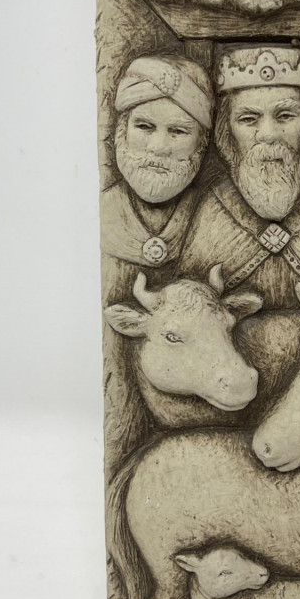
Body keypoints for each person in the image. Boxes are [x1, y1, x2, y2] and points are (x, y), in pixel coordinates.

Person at [179, 45, 300, 308]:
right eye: (249, 119)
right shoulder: (213, 211)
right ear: (226, 132)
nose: (269, 134)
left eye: (285, 116)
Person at [101, 53, 214, 473]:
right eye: (144, 127)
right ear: (121, 133)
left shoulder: (211, 218)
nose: (158, 148)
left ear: (201, 145)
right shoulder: (103, 214)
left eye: (178, 131)